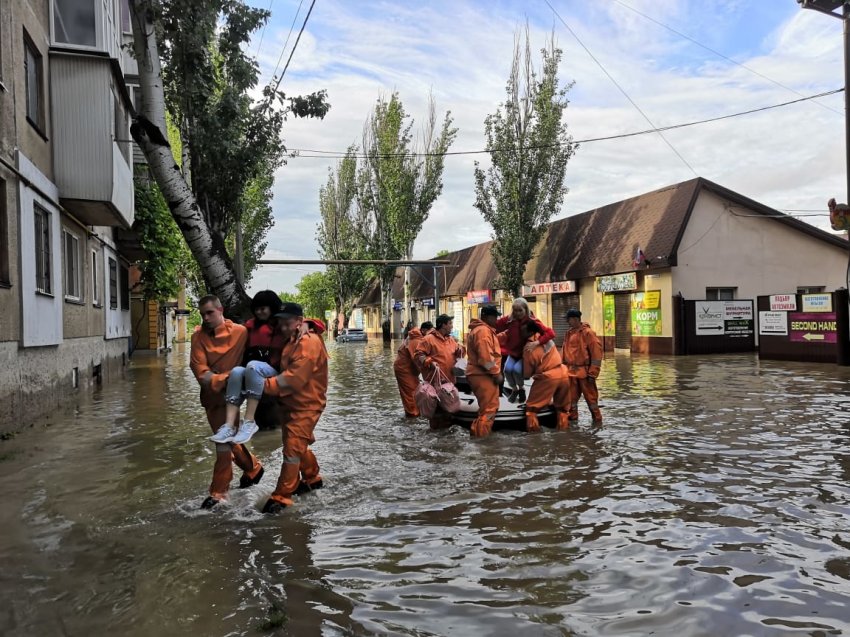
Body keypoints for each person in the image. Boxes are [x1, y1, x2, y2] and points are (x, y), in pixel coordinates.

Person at [190, 295, 264, 510]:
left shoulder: (241, 331)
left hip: (231, 398)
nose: (205, 318)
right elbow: (200, 374)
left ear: (221, 310)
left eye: (210, 313)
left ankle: (219, 492)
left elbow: (270, 329)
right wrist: (230, 376)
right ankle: (254, 468)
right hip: (210, 397)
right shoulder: (198, 338)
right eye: (202, 314)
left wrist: (308, 324)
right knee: (229, 439)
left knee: (222, 444)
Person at [261, 302, 329, 514]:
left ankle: (281, 498)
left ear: (299, 322)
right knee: (296, 445)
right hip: (293, 403)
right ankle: (312, 478)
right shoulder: (293, 338)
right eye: (280, 322)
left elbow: (294, 379)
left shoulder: (307, 342)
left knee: (291, 449)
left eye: (286, 322)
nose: (282, 326)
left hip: (306, 404)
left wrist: (262, 386)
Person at [211, 290, 284, 446]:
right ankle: (229, 425)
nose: (259, 312)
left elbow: (306, 321)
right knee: (237, 371)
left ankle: (249, 421)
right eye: (257, 309)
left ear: (272, 308)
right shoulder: (250, 327)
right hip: (252, 373)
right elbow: (230, 333)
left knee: (252, 366)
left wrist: (306, 324)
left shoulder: (281, 325)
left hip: (272, 372)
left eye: (263, 308)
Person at [495, 298, 556, 404]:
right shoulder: (509, 320)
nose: (517, 313)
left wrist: (537, 342)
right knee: (507, 370)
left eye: (520, 310)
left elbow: (550, 333)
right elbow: (495, 325)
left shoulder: (532, 321)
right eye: (515, 310)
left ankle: (521, 388)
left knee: (517, 371)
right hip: (513, 353)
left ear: (525, 310)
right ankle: (514, 389)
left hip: (524, 354)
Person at [415, 314, 465, 430]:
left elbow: (458, 353)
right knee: (436, 413)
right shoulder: (428, 339)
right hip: (434, 383)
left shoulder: (451, 339)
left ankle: (444, 437)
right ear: (443, 325)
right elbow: (418, 355)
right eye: (450, 324)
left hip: (448, 382)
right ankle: (436, 435)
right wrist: (429, 362)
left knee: (448, 412)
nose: (452, 326)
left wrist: (460, 351)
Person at [521, 321, 570, 432]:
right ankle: (564, 434)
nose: (520, 332)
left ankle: (534, 439)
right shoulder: (545, 338)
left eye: (522, 331)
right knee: (563, 409)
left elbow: (527, 374)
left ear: (530, 331)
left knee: (531, 409)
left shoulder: (528, 348)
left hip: (548, 376)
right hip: (563, 372)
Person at [465, 305, 503, 438]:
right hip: (483, 375)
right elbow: (485, 357)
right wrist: (496, 373)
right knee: (489, 410)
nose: (497, 320)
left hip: (479, 374)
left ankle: (478, 435)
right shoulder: (483, 331)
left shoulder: (481, 330)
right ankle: (482, 441)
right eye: (495, 317)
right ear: (486, 317)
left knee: (486, 410)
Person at [561, 308, 603, 425]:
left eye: (568, 319)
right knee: (571, 400)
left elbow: (596, 354)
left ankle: (597, 421)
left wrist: (592, 373)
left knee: (591, 400)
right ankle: (573, 420)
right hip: (571, 373)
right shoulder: (568, 333)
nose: (567, 322)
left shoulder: (588, 333)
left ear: (575, 319)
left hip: (585, 374)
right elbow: (565, 353)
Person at [393, 321, 434, 418]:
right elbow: (417, 359)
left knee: (415, 390)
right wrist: (428, 373)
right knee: (410, 393)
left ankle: (415, 413)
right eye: (430, 332)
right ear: (423, 330)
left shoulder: (417, 338)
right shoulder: (416, 340)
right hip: (404, 369)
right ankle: (412, 415)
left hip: (408, 369)